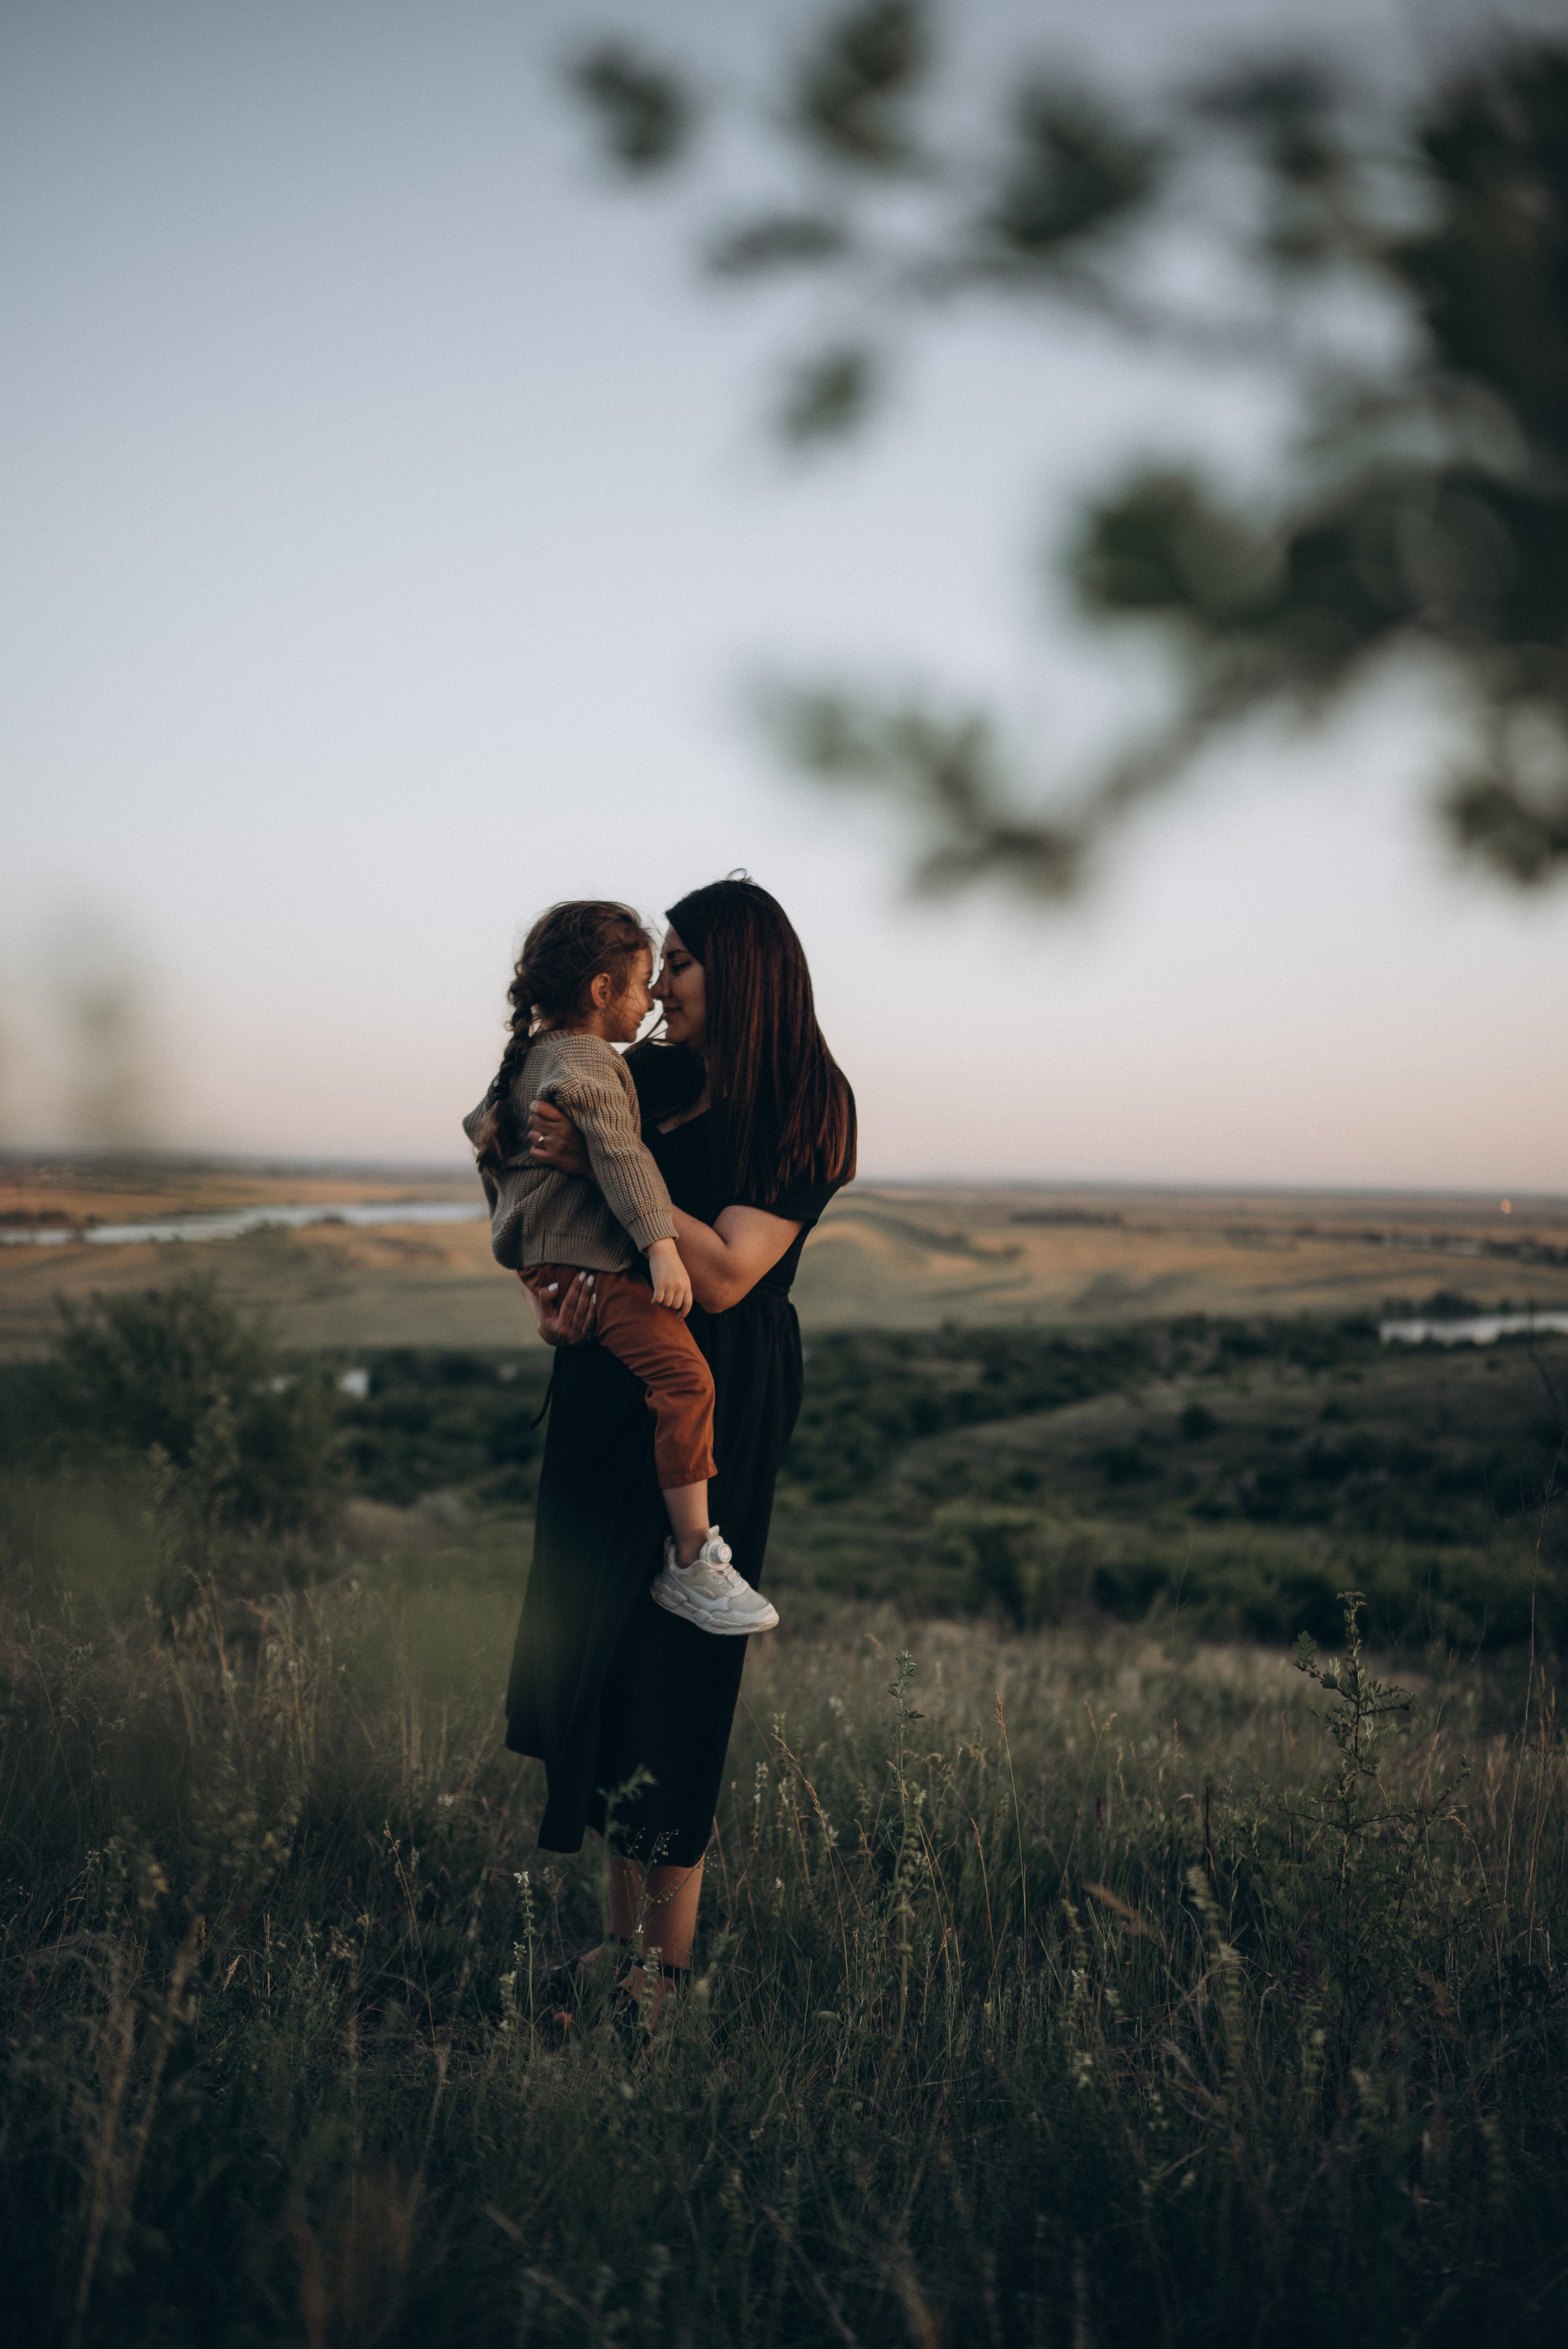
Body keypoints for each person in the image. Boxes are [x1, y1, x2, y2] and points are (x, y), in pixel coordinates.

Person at [510, 877, 854, 2029]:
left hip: (720, 1398)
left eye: (684, 963)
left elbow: (723, 1274)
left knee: (680, 1673)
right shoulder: (643, 1077)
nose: (663, 987)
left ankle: (662, 1981)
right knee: (603, 1660)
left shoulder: (810, 1100)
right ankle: (613, 1954)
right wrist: (553, 1293)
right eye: (657, 965)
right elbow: (547, 1171)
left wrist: (605, 1176)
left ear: (743, 972)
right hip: (609, 1370)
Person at [463, 899, 775, 1635]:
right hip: (602, 1275)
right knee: (685, 1380)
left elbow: (489, 1151)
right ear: (602, 992)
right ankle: (694, 1558)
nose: (654, 998)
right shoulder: (592, 1064)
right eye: (644, 981)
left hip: (558, 1271)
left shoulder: (532, 1060)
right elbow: (623, 1159)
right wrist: (662, 1250)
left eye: (674, 970)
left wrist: (527, 1263)